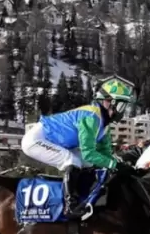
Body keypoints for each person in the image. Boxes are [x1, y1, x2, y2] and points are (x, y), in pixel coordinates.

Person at [21, 76, 135, 218]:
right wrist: (114, 164)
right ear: (109, 102)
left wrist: (120, 165)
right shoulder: (92, 116)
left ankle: (84, 196)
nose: (123, 110)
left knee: (88, 162)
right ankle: (70, 205)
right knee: (72, 160)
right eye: (122, 105)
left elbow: (105, 156)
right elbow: (88, 152)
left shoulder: (105, 126)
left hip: (55, 142)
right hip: (36, 139)